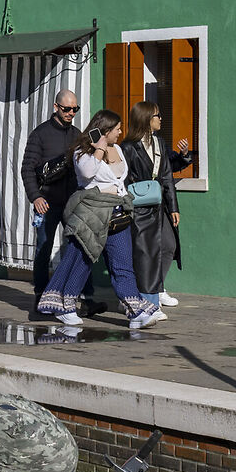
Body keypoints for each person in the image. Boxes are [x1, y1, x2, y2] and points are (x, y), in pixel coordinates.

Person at [36, 110, 164, 330]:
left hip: (117, 215)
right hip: (92, 216)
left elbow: (121, 180)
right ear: (104, 130)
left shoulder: (119, 150)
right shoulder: (81, 151)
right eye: (117, 129)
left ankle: (135, 314)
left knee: (123, 264)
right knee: (80, 262)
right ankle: (65, 308)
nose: (121, 132)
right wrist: (99, 150)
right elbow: (86, 173)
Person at [19, 89, 82, 309]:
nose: (71, 113)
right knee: (43, 248)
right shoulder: (40, 134)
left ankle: (73, 293)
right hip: (46, 201)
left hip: (72, 202)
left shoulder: (77, 134)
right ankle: (41, 294)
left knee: (78, 245)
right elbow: (27, 169)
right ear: (56, 107)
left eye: (75, 109)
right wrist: (35, 197)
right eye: (66, 109)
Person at [122, 102, 185, 311]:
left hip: (158, 206)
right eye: (157, 115)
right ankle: (134, 297)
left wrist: (173, 208)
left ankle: (157, 288)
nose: (160, 119)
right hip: (138, 207)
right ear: (146, 118)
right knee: (142, 253)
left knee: (168, 245)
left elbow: (167, 177)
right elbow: (123, 178)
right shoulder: (129, 147)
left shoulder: (159, 143)